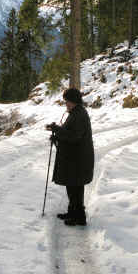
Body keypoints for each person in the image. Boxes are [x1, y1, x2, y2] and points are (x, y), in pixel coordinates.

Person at [45, 87, 95, 226]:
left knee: (75, 187)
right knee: (72, 186)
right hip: (76, 158)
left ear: (74, 101)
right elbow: (69, 133)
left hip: (78, 159)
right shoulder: (75, 113)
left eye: (67, 101)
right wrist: (57, 135)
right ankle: (73, 212)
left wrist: (57, 130)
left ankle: (79, 217)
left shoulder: (79, 115)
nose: (65, 103)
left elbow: (74, 137)